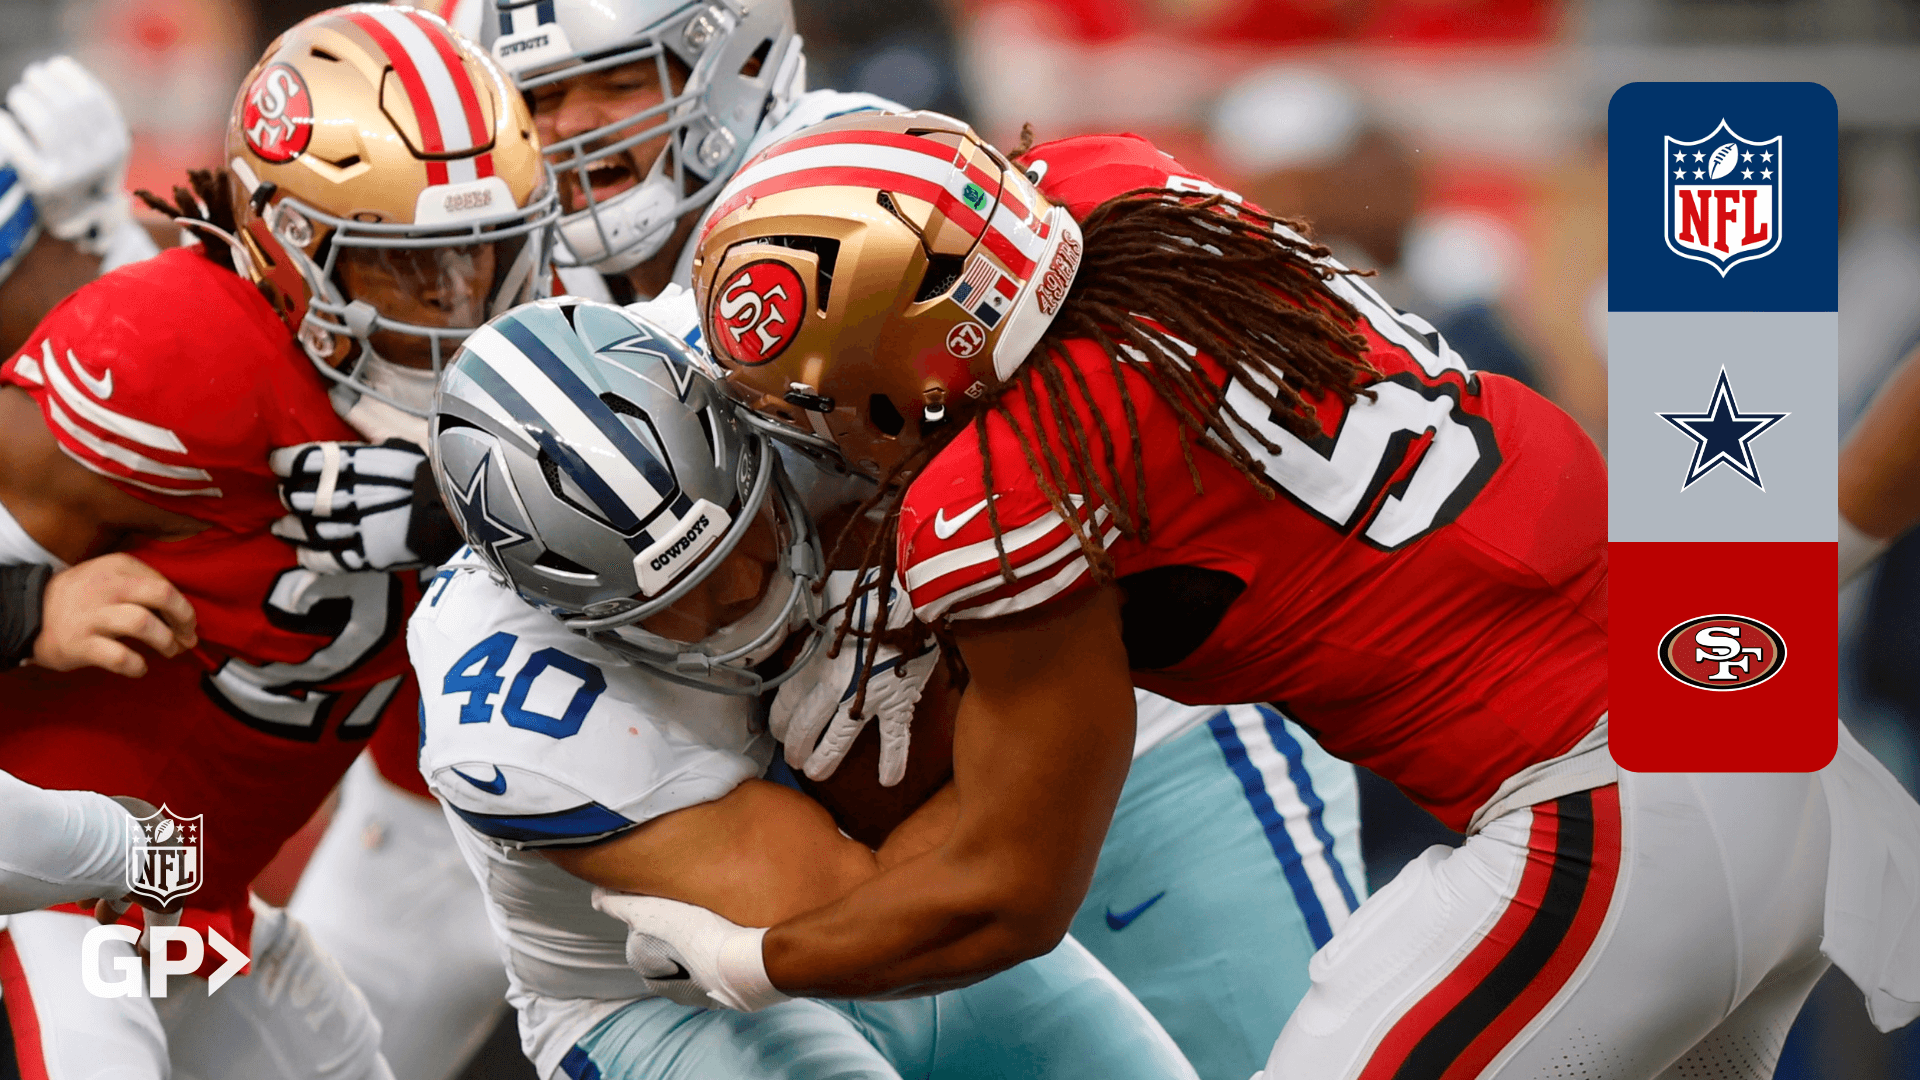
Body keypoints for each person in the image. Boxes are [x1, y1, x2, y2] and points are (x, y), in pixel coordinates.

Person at [584, 109, 1920, 1078]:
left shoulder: (1003, 488)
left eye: (818, 400)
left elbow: (1013, 889)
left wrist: (756, 961)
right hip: (1748, 722)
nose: (820, 435)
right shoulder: (1121, 186)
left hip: (1606, 817)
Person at [409, 296, 1197, 1080]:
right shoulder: (519, 717)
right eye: (684, 598)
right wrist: (1012, 684)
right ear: (577, 616)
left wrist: (930, 580)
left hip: (900, 901)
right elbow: (885, 903)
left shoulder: (784, 369)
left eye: (747, 531)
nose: (745, 591)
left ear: (748, 435)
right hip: (663, 1001)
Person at [0, 7, 553, 1077]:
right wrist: (28, 608)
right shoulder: (174, 355)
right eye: (404, 266)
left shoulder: (519, 374)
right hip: (52, 889)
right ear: (287, 246)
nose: (454, 303)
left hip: (193, 902)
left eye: (481, 255)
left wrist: (459, 501)